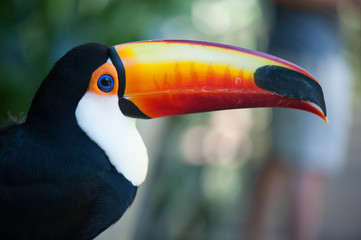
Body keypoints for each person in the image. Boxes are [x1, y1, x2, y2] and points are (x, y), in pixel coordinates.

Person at [246, 0, 359, 239]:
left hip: (311, 53)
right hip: (305, 58)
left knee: (286, 155)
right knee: (308, 166)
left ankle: (254, 232)